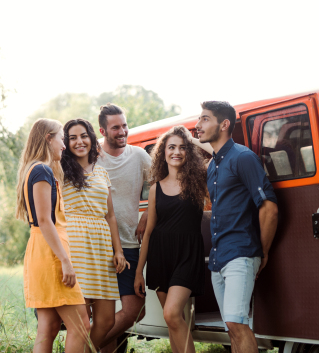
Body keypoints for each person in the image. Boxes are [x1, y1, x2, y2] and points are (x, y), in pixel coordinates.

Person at [193, 101, 279, 353]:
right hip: (218, 259)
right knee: (231, 328)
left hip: (241, 253)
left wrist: (262, 252)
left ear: (224, 124)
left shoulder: (243, 158)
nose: (198, 125)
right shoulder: (213, 166)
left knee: (236, 323)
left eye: (205, 119)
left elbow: (269, 208)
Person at [15, 118, 91, 353]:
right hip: (51, 257)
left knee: (47, 329)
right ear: (48, 138)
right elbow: (45, 220)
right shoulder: (41, 170)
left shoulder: (35, 170)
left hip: (41, 252)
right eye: (61, 138)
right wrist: (66, 262)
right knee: (81, 326)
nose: (64, 145)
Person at [134, 125, 207, 353]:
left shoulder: (198, 181)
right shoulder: (156, 188)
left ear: (189, 152)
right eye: (171, 147)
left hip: (187, 254)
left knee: (172, 313)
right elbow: (149, 232)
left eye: (182, 148)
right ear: (162, 152)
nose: (177, 152)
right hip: (160, 255)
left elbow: (217, 153)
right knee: (172, 321)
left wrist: (191, 139)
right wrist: (139, 272)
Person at [60, 118, 129, 351]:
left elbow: (110, 215)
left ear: (91, 137)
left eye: (83, 136)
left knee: (107, 319)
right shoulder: (60, 170)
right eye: (72, 138)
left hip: (101, 247)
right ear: (66, 143)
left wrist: (118, 250)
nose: (79, 141)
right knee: (82, 320)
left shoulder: (102, 172)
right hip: (76, 243)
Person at [96, 104, 152, 352]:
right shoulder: (92, 156)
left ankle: (82, 347)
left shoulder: (139, 156)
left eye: (124, 125)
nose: (122, 131)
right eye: (115, 127)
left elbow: (159, 184)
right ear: (103, 130)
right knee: (104, 317)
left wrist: (148, 211)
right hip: (97, 246)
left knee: (135, 310)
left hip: (128, 243)